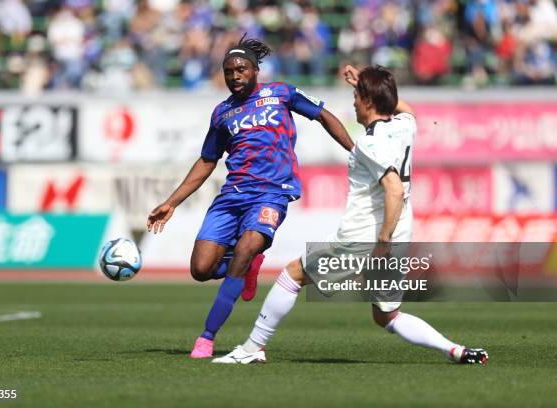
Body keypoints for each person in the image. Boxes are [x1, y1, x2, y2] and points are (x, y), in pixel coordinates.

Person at [213, 65, 489, 365]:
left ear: (369, 101)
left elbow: (393, 189)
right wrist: (369, 85)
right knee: (386, 315)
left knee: (290, 277)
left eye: (357, 96)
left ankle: (253, 348)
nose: (353, 102)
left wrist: (382, 241)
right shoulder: (404, 126)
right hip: (401, 233)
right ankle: (456, 350)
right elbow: (405, 108)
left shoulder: (370, 143)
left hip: (364, 237)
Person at [147, 36, 353, 359]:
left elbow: (323, 115)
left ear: (256, 70)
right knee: (200, 269)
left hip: (271, 194)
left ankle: (206, 338)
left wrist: (353, 151)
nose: (234, 76)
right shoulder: (222, 114)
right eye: (228, 72)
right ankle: (246, 265)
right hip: (232, 197)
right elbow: (206, 161)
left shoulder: (282, 93)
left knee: (244, 249)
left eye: (241, 69)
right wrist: (172, 202)